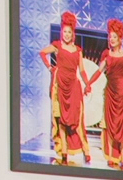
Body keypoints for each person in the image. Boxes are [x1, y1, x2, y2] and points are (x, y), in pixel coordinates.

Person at [39, 11, 91, 165]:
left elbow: (82, 70)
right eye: (65, 31)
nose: (67, 34)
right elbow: (42, 53)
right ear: (61, 31)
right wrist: (50, 67)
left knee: (77, 120)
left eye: (69, 32)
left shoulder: (78, 50)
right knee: (61, 120)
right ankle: (64, 152)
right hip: (60, 85)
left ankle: (86, 151)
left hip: (73, 87)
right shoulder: (57, 46)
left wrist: (88, 84)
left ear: (73, 33)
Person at [87, 18, 123, 171]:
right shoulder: (106, 55)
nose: (111, 39)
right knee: (109, 125)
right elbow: (98, 72)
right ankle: (111, 158)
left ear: (120, 38)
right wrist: (88, 83)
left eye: (114, 36)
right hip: (110, 94)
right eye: (110, 36)